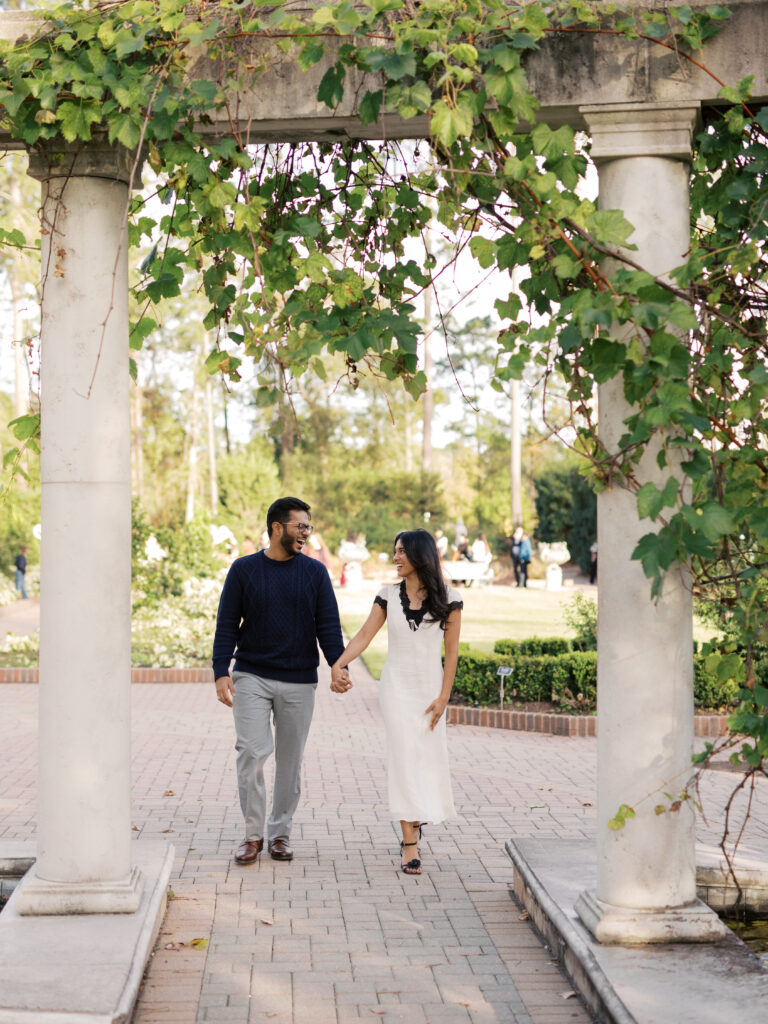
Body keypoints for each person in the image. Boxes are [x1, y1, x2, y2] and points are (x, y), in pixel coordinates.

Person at [212, 496, 349, 866]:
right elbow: (227, 624)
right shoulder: (244, 570)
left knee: (290, 761)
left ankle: (280, 833)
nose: (306, 533)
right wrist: (220, 670)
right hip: (252, 675)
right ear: (277, 527)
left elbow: (328, 627)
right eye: (300, 526)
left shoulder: (315, 573)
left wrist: (339, 665)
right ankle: (253, 836)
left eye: (308, 526)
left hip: (300, 681)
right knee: (252, 753)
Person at [332, 529, 462, 876]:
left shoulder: (450, 598)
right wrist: (340, 663)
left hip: (430, 691)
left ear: (420, 554)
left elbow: (452, 654)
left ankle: (415, 822)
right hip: (396, 689)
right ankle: (410, 844)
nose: (395, 557)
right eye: (395, 551)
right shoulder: (387, 596)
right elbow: (363, 635)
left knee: (425, 758)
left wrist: (444, 697)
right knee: (404, 757)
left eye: (402, 551)